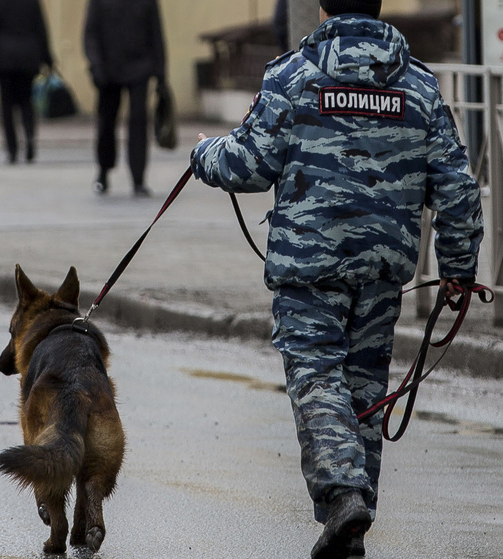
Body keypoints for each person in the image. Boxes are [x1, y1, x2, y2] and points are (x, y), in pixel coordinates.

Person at [190, 1, 483, 558]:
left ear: (322, 7)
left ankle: (345, 494)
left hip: (308, 268)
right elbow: (458, 189)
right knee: (365, 389)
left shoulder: (293, 75)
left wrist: (203, 152)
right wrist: (458, 268)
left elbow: (247, 164)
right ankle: (352, 527)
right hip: (382, 269)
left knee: (317, 376)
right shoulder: (418, 86)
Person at [83, 0, 167, 197]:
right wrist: (96, 65)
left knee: (138, 122)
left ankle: (138, 178)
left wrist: (161, 73)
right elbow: (90, 33)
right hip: (107, 69)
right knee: (106, 122)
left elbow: (156, 33)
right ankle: (103, 172)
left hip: (140, 68)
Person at [0, 0, 53, 165]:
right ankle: (30, 137)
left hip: (3, 57)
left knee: (6, 106)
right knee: (26, 101)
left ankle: (12, 149)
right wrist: (48, 58)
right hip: (28, 56)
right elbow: (41, 29)